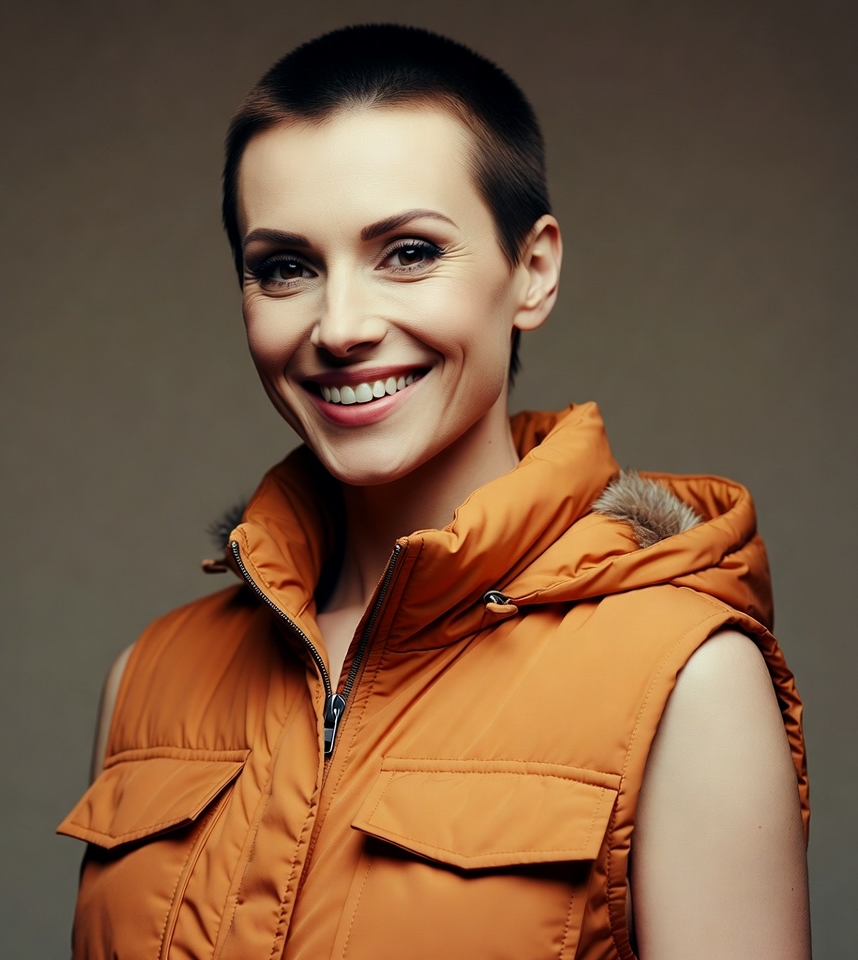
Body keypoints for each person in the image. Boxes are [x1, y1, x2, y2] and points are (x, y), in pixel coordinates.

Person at [58, 24, 811, 959]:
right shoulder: (147, 678)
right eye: (286, 267)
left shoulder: (687, 679)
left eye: (408, 252)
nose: (340, 327)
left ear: (531, 272)